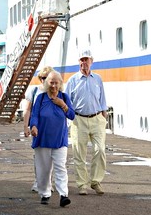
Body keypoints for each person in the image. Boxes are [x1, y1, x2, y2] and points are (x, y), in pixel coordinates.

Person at [64, 49, 108, 195]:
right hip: (79, 119)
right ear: (79, 62)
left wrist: (104, 113)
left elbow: (102, 97)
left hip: (97, 118)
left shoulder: (98, 79)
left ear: (91, 61)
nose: (84, 62)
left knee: (100, 150)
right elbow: (67, 101)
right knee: (79, 153)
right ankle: (82, 185)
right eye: (81, 60)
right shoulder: (72, 80)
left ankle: (96, 181)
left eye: (86, 60)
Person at [30, 70, 75, 206]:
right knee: (43, 169)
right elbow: (35, 115)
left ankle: (63, 195)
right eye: (51, 82)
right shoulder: (41, 98)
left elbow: (72, 115)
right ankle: (45, 193)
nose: (54, 86)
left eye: (56, 83)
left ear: (60, 83)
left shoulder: (64, 97)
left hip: (59, 139)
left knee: (61, 167)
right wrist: (33, 126)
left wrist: (63, 105)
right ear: (46, 83)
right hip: (42, 138)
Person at [23, 66, 54, 192]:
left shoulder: (55, 91)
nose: (44, 80)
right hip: (37, 127)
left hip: (51, 128)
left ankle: (48, 183)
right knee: (39, 156)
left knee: (51, 156)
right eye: (42, 78)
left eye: (46, 78)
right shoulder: (34, 91)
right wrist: (26, 126)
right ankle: (38, 181)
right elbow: (28, 109)